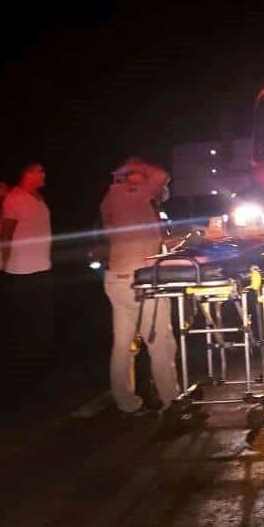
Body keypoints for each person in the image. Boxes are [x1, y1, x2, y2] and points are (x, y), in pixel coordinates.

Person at [99, 158, 181, 414]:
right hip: (141, 282)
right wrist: (134, 166)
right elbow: (161, 175)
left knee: (123, 345)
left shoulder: (112, 199)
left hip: (118, 279)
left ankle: (127, 402)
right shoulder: (131, 194)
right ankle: (172, 401)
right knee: (161, 342)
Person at [0, 162, 54, 378]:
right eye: (40, 171)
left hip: (42, 267)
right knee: (26, 320)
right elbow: (6, 233)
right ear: (28, 173)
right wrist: (4, 263)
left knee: (41, 318)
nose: (44, 175)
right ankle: (24, 366)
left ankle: (39, 362)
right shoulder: (15, 198)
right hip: (23, 270)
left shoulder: (38, 198)